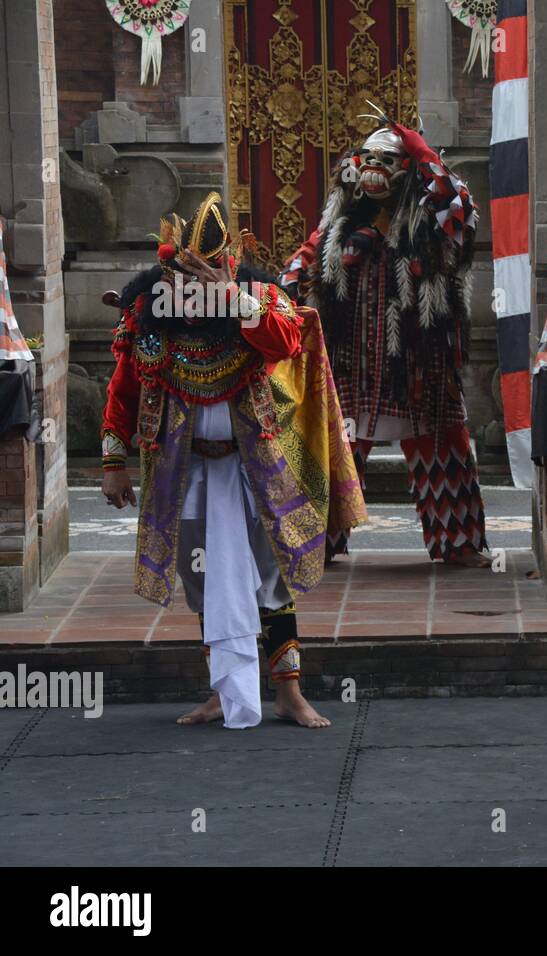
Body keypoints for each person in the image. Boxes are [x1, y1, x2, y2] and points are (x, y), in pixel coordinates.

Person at [101, 193, 362, 729]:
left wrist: (232, 298)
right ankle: (221, 691)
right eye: (186, 275)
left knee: (272, 578)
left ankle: (289, 693)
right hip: (184, 470)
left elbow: (286, 340)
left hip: (254, 468)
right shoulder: (149, 305)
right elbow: (124, 386)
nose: (195, 287)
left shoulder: (258, 297)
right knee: (203, 581)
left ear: (228, 263)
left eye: (208, 274)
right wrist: (113, 458)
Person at [281, 105, 490, 567]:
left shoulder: (433, 222)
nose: (375, 173)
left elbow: (457, 209)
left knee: (441, 447)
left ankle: (458, 544)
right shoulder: (339, 227)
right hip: (352, 362)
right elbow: (297, 270)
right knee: (335, 446)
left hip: (417, 361)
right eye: (368, 162)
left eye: (388, 162)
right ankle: (316, 541)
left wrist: (415, 146)